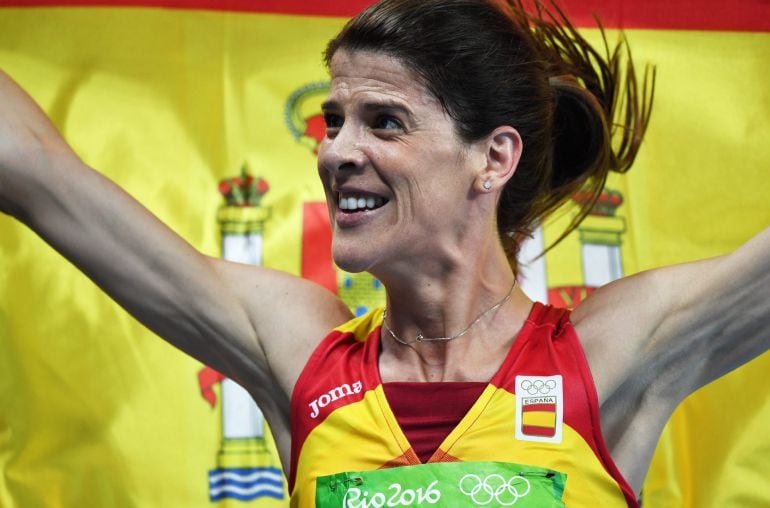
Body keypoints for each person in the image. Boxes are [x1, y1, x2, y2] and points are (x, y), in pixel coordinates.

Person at [0, 0, 767, 506]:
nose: (337, 152)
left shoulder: (605, 354)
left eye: (385, 122)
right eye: (334, 121)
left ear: (492, 159)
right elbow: (37, 173)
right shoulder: (300, 351)